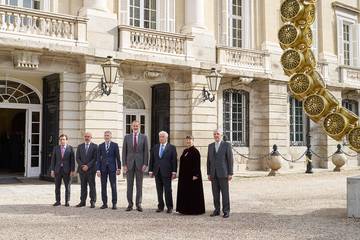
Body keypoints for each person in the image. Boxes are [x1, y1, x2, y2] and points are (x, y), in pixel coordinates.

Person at [122, 120, 149, 212]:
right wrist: (124, 164)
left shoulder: (144, 137)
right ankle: (130, 204)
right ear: (131, 127)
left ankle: (138, 204)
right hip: (129, 164)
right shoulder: (127, 137)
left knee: (139, 185)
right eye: (134, 126)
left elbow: (146, 151)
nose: (135, 127)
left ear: (139, 126)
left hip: (140, 164)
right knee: (129, 185)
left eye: (137, 126)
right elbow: (124, 152)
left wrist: (145, 163)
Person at [207, 129, 233, 218]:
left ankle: (226, 211)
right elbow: (208, 161)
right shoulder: (210, 146)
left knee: (225, 193)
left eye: (218, 134)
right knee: (215, 193)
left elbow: (230, 160)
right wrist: (208, 173)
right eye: (214, 134)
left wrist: (230, 173)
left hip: (223, 173)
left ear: (221, 135)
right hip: (213, 174)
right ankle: (216, 210)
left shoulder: (226, 145)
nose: (216, 135)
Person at [149, 131, 177, 213]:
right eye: (160, 137)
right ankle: (160, 206)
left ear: (166, 138)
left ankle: (170, 207)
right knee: (159, 190)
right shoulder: (155, 147)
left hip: (167, 172)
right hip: (157, 171)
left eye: (162, 137)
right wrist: (150, 170)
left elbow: (174, 160)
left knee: (168, 190)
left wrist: (174, 172)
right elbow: (152, 160)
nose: (161, 138)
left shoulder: (172, 147)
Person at [176, 136, 205, 215]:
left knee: (192, 193)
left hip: (192, 176)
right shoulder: (185, 150)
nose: (188, 141)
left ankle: (193, 210)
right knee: (185, 192)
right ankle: (184, 209)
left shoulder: (195, 151)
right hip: (184, 176)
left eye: (190, 140)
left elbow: (197, 164)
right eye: (187, 140)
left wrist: (196, 174)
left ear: (193, 141)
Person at [96, 131, 121, 210]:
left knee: (113, 186)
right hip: (103, 169)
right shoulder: (100, 146)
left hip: (112, 168)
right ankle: (104, 203)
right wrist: (98, 170)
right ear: (104, 136)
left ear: (111, 136)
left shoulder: (115, 145)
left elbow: (118, 158)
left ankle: (114, 203)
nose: (106, 137)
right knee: (103, 186)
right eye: (105, 135)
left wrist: (119, 168)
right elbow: (98, 159)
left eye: (108, 135)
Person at [51, 134, 75, 207]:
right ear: (59, 140)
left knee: (67, 187)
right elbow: (53, 160)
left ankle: (67, 201)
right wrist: (52, 170)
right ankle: (58, 201)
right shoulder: (56, 148)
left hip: (67, 170)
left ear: (66, 140)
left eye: (64, 139)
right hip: (57, 170)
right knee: (57, 186)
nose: (62, 141)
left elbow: (72, 161)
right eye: (61, 139)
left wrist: (72, 170)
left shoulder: (70, 148)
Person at [76, 132, 98, 208]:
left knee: (92, 186)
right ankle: (82, 201)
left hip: (91, 170)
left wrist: (88, 166)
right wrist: (82, 166)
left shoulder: (95, 146)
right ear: (83, 137)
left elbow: (95, 158)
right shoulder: (80, 146)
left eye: (88, 136)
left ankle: (93, 201)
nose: (87, 138)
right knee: (83, 186)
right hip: (82, 170)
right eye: (85, 136)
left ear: (91, 137)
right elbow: (77, 158)